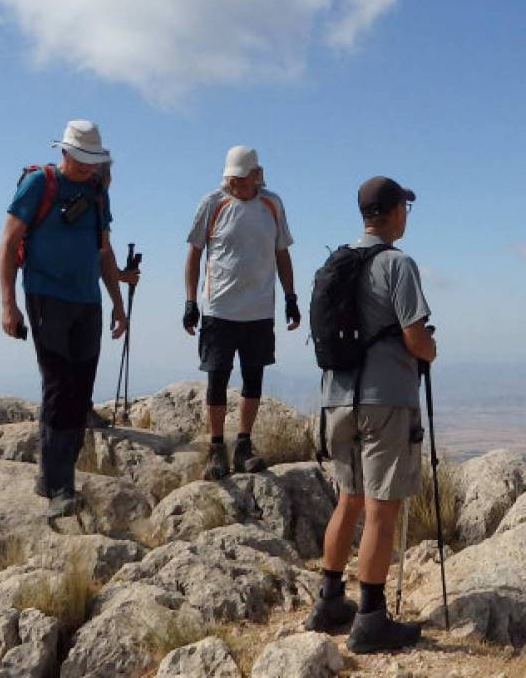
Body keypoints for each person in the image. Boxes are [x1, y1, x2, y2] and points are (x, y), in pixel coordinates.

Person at [304, 176, 437, 654]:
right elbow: (416, 339)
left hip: (337, 398)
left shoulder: (338, 262)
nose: (407, 216)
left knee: (350, 498)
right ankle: (371, 619)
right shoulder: (398, 264)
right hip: (385, 399)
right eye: (405, 207)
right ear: (394, 210)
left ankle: (328, 600)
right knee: (382, 508)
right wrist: (432, 349)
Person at [0, 120, 128, 518]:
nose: (89, 167)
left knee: (80, 388)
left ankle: (53, 475)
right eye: (83, 159)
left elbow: (103, 253)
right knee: (58, 387)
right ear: (65, 153)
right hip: (46, 297)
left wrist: (118, 305)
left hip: (87, 302)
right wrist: (8, 304)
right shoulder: (40, 184)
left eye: (94, 160)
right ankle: (60, 487)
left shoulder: (96, 192)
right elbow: (8, 242)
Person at [183, 145, 300, 480]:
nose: (233, 185)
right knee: (217, 378)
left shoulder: (271, 204)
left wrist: (290, 297)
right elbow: (194, 254)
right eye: (230, 179)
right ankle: (216, 448)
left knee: (254, 379)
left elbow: (282, 254)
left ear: (255, 176)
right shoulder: (212, 204)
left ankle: (244, 445)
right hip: (219, 309)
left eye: (239, 179)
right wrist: (191, 302)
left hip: (260, 310)